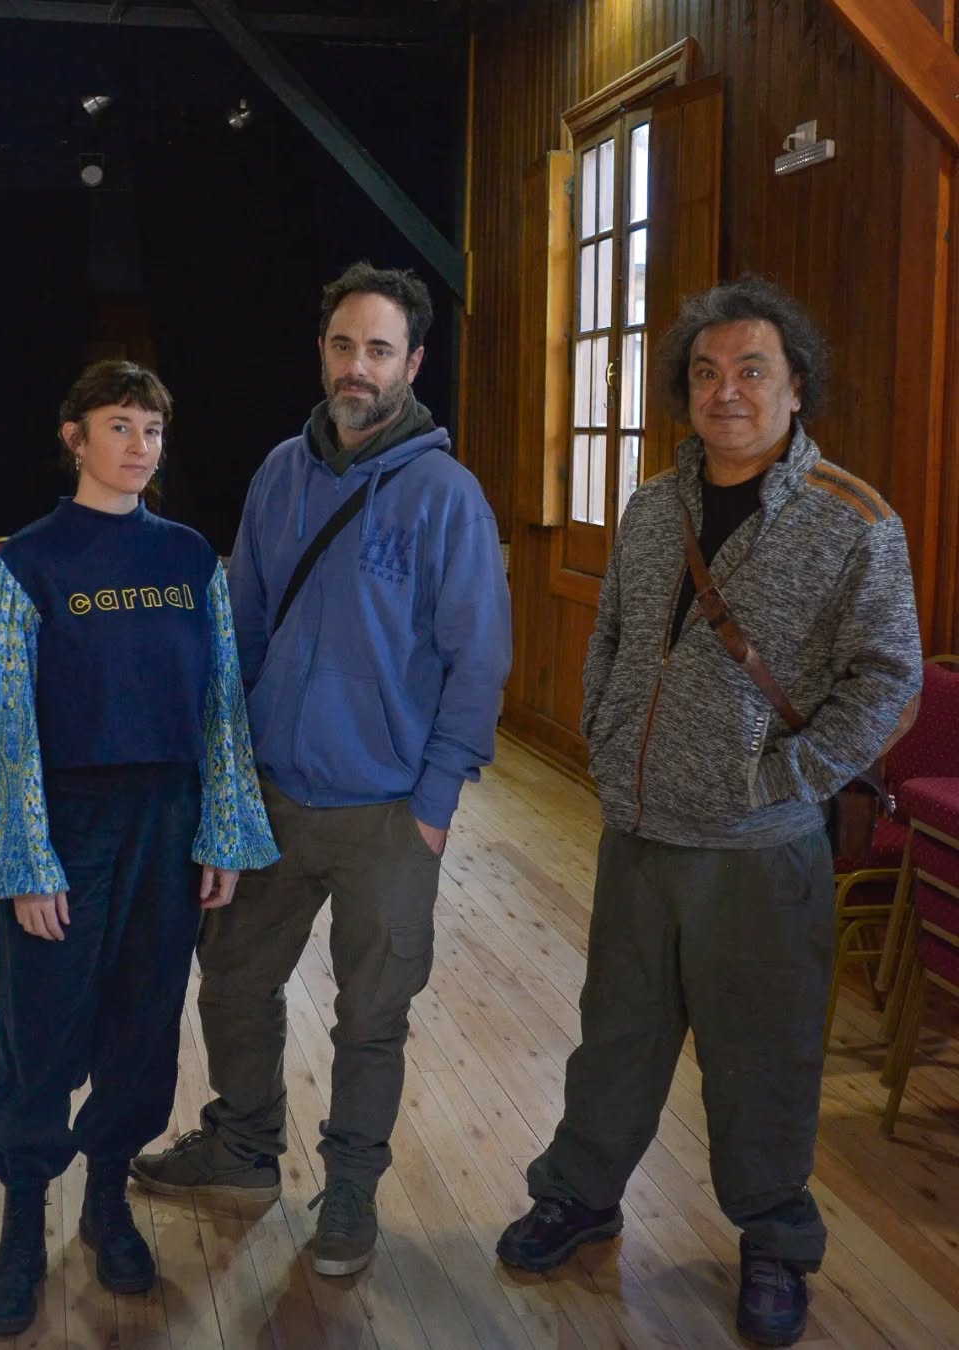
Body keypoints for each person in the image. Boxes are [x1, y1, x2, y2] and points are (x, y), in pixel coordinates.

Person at [495, 277, 922, 1347]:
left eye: (752, 370)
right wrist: (603, 737)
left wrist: (780, 780)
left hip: (760, 853)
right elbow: (612, 634)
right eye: (706, 372)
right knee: (616, 1037)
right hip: (638, 833)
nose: (727, 391)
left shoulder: (854, 522)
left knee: (762, 1055)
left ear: (796, 386)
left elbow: (889, 681)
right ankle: (580, 1195)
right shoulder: (653, 507)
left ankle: (775, 1238)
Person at [132, 262, 512, 1277]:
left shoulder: (446, 496)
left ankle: (349, 1188)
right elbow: (243, 628)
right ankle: (244, 1145)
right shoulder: (279, 474)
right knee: (232, 980)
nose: (357, 367)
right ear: (322, 352)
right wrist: (229, 774)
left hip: (389, 812)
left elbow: (478, 661)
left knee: (371, 1015)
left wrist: (434, 804)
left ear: (413, 364)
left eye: (379, 350)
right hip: (271, 795)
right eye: (343, 345)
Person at [0, 360, 278, 1338]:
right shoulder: (25, 565)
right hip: (67, 822)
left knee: (143, 1024)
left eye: (152, 429)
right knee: (41, 1028)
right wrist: (27, 861)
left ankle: (105, 1204)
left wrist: (222, 828)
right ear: (75, 438)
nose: (140, 446)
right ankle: (22, 1227)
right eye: (119, 426)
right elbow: (1, 724)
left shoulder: (190, 561)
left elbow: (221, 705)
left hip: (167, 825)